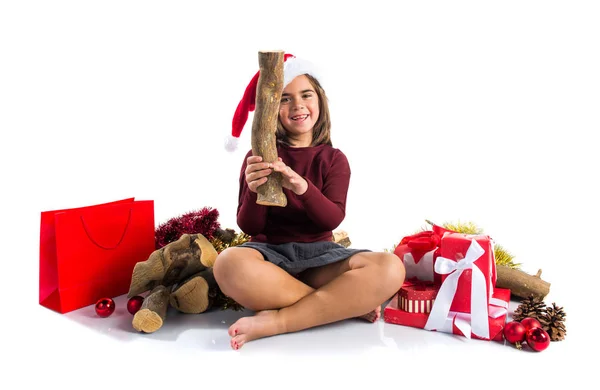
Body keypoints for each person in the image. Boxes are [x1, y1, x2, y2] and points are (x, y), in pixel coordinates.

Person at [214, 54, 405, 350]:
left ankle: (280, 321)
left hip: (321, 258)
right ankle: (342, 305)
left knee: (391, 268)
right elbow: (248, 225)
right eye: (285, 99)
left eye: (306, 95)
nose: (297, 105)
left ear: (320, 101)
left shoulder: (333, 159)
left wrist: (302, 187)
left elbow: (331, 219)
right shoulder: (258, 156)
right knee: (228, 263)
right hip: (269, 257)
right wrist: (254, 190)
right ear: (272, 110)